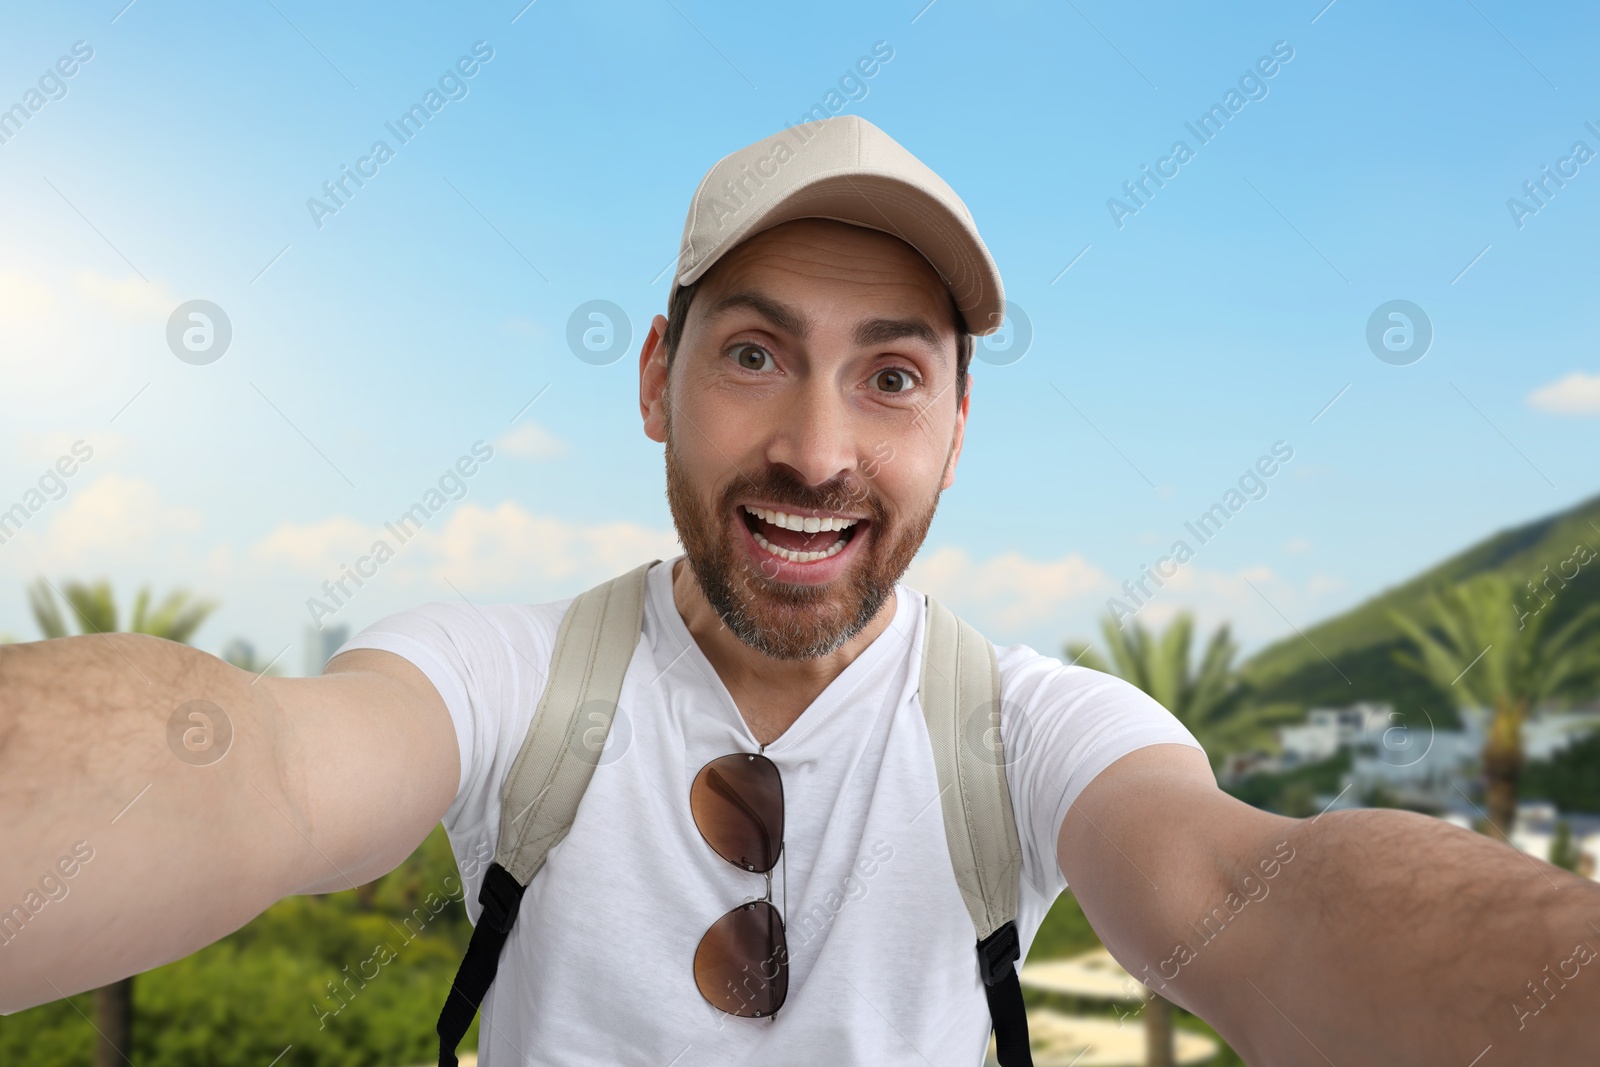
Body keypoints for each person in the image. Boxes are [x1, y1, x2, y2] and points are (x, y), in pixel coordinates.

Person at [1, 115, 1595, 1066]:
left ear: (957, 431)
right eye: (755, 354)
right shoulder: (501, 679)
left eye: (891, 377)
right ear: (654, 380)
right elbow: (254, 769)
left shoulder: (1036, 731)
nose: (817, 451)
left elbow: (1270, 901)